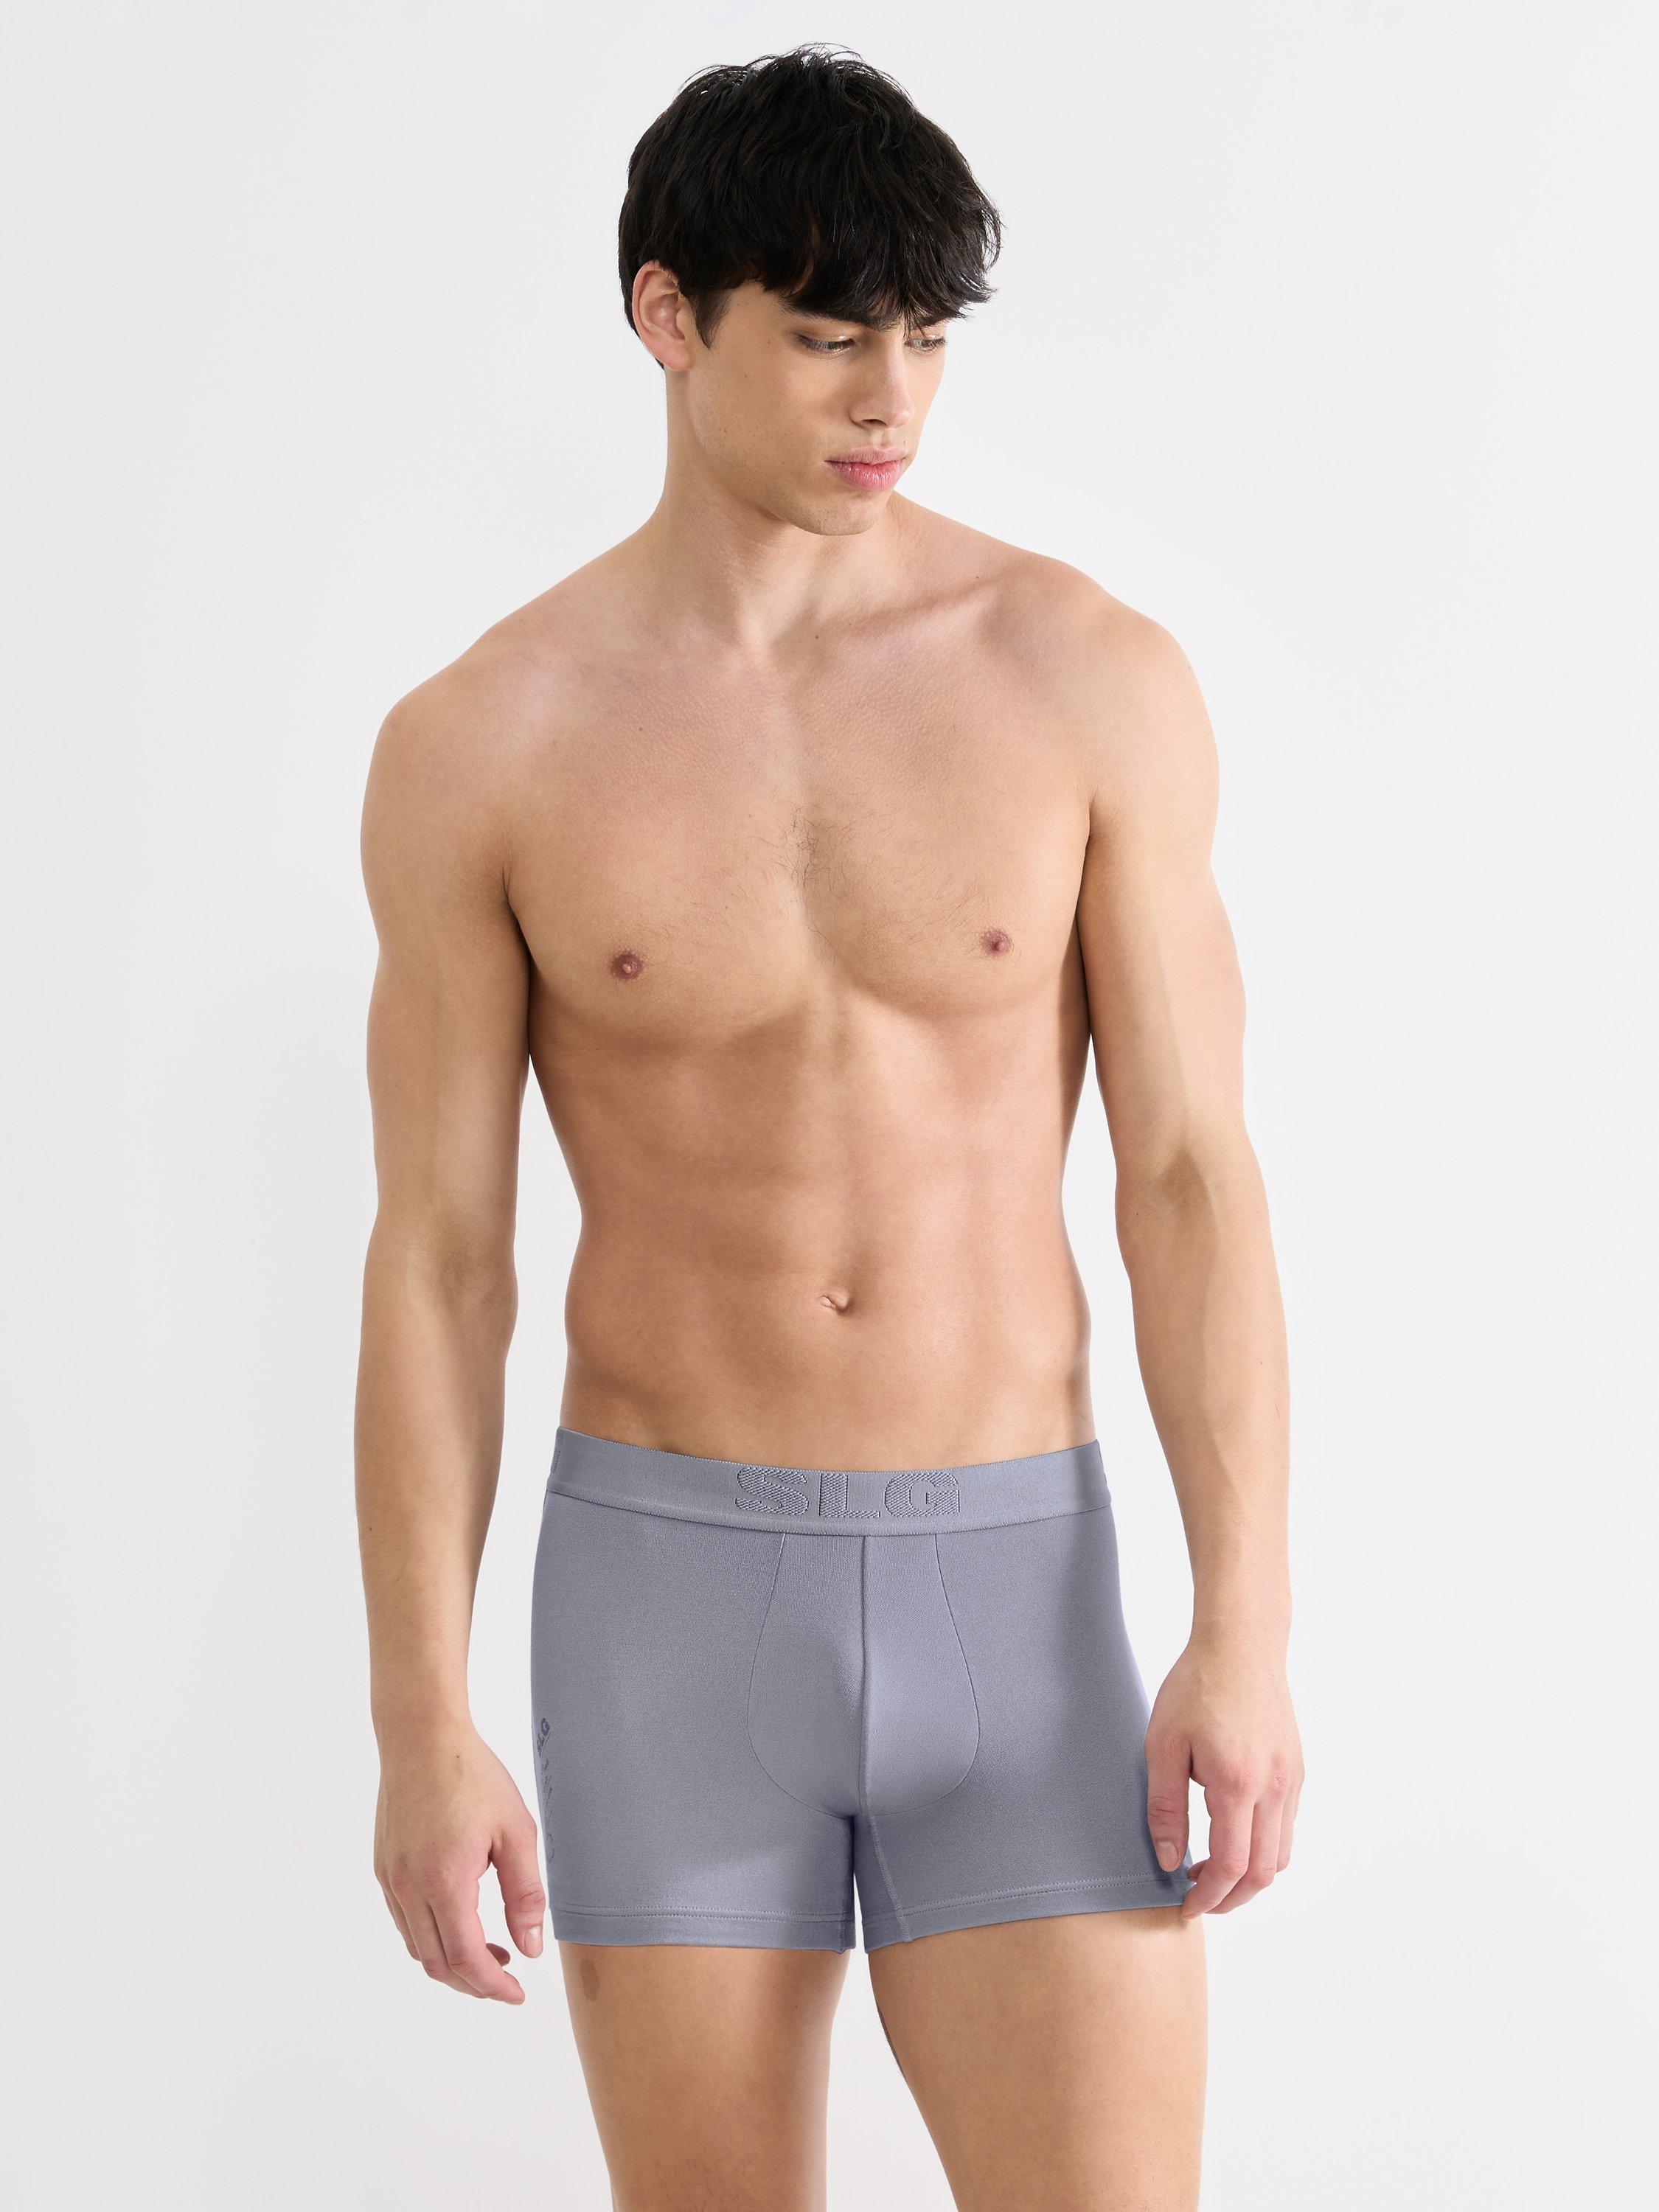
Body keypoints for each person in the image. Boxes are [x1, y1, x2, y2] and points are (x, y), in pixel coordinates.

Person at [355, 42, 1301, 2211]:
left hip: (1018, 1596)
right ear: (666, 316)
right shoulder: (482, 742)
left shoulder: (1082, 675)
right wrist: (421, 1718)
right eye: (827, 337)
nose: (892, 401)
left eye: (927, 338)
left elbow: (1187, 1177)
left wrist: (1242, 1627)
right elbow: (440, 1261)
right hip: (662, 1609)